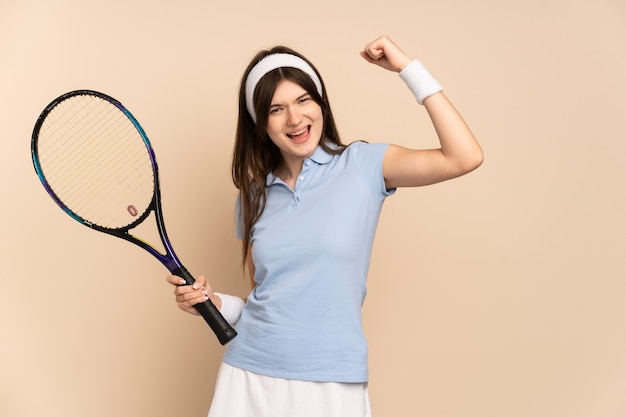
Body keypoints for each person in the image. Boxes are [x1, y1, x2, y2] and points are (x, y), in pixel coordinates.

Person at [166, 35, 483, 417]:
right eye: (276, 109)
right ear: (260, 124)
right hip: (248, 374)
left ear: (320, 103)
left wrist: (406, 69)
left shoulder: (363, 164)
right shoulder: (253, 197)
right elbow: (266, 295)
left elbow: (464, 156)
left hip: (331, 377)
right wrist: (214, 304)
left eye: (303, 100)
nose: (295, 119)